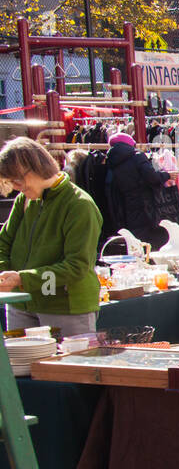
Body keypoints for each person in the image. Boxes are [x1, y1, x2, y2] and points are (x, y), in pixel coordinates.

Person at [0, 137, 103, 335]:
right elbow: (3, 242)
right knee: (22, 365)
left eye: (16, 180)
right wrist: (6, 275)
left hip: (66, 307)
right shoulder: (24, 200)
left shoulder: (79, 205)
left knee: (70, 366)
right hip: (21, 304)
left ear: (32, 169)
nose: (15, 187)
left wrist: (21, 279)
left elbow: (77, 267)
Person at [103, 131, 179, 249]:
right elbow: (152, 178)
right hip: (145, 205)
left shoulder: (110, 160)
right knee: (153, 240)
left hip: (125, 207)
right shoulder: (137, 157)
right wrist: (166, 175)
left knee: (136, 240)